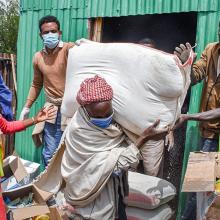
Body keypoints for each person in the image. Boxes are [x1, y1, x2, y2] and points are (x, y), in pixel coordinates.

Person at [60, 75, 168, 220]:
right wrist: (143, 138)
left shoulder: (115, 124)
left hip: (115, 192)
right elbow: (115, 166)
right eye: (98, 116)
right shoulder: (79, 131)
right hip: (90, 200)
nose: (105, 118)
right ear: (85, 110)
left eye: (108, 113)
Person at [19, 15, 74, 166]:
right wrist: (27, 106)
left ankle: (67, 187)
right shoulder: (38, 57)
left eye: (53, 31)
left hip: (71, 110)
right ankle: (48, 188)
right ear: (40, 35)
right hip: (52, 109)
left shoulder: (70, 50)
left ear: (59, 33)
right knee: (50, 152)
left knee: (71, 151)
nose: (50, 35)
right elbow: (37, 84)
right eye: (46, 32)